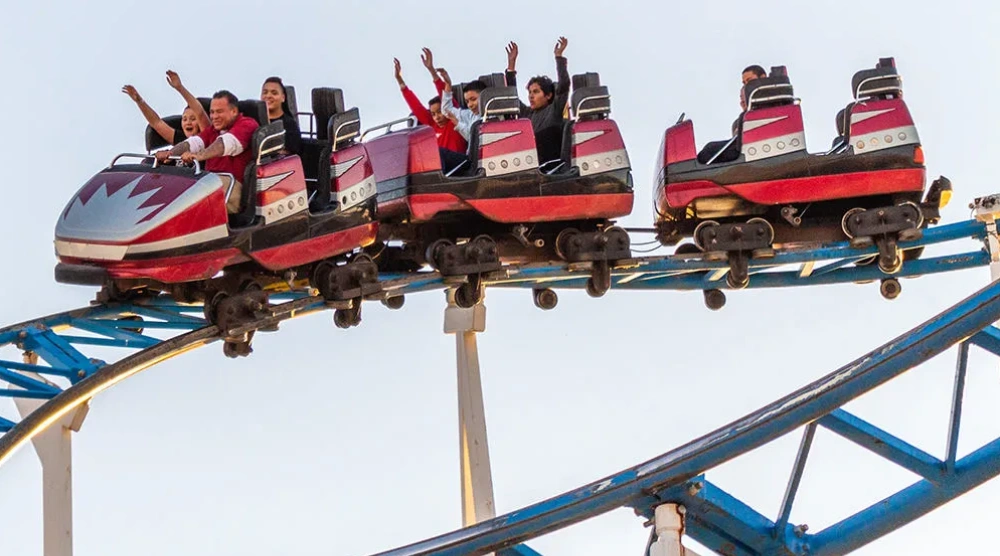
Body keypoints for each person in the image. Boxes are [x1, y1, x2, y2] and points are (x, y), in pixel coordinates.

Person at [155, 91, 259, 215]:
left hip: (232, 186)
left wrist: (200, 156)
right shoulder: (213, 130)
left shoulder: (246, 124)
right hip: (208, 182)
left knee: (188, 201)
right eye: (212, 112)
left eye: (219, 112)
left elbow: (225, 144)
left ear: (234, 112)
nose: (214, 116)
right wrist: (169, 153)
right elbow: (193, 143)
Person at [504, 37, 571, 162]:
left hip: (551, 167)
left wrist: (559, 57)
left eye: (536, 92)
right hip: (529, 165)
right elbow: (511, 98)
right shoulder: (527, 114)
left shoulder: (554, 109)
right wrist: (511, 65)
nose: (530, 96)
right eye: (529, 92)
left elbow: (564, 85)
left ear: (548, 95)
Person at [393, 49, 467, 154]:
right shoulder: (432, 125)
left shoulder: (454, 119)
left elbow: (444, 95)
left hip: (458, 163)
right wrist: (399, 79)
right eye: (433, 114)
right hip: (440, 167)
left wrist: (432, 70)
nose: (437, 117)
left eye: (439, 112)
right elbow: (416, 106)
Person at [122, 70, 209, 146]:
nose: (188, 122)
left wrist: (180, 88)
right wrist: (139, 101)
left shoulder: (208, 137)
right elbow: (156, 122)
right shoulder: (181, 140)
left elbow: (199, 112)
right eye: (184, 119)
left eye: (193, 119)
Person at [260, 76, 301, 155]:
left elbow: (290, 153)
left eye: (274, 93)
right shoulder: (254, 121)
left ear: (283, 98)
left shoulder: (289, 125)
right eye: (265, 92)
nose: (268, 96)